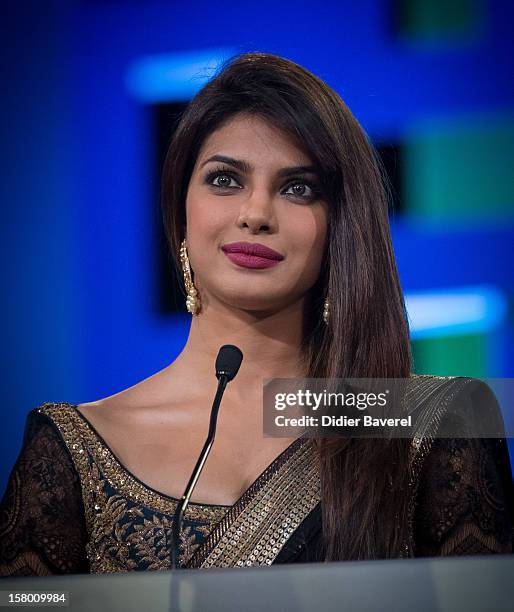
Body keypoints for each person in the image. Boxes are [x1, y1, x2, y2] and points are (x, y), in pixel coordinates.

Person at [1, 52, 513, 577]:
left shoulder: (424, 424)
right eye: (225, 180)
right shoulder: (73, 448)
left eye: (299, 188)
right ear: (181, 209)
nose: (256, 213)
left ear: (340, 228)